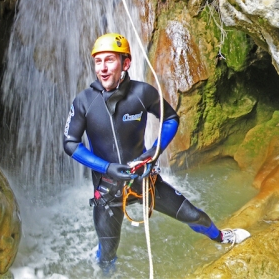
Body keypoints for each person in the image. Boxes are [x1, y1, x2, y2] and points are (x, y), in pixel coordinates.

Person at [63, 33, 250, 270]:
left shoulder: (142, 94)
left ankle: (222, 237)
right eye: (98, 62)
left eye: (109, 60)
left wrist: (153, 153)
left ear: (126, 63)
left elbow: (170, 119)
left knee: (194, 215)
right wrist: (107, 168)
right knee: (107, 254)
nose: (102, 68)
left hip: (144, 180)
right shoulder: (84, 101)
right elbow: (70, 143)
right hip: (108, 188)